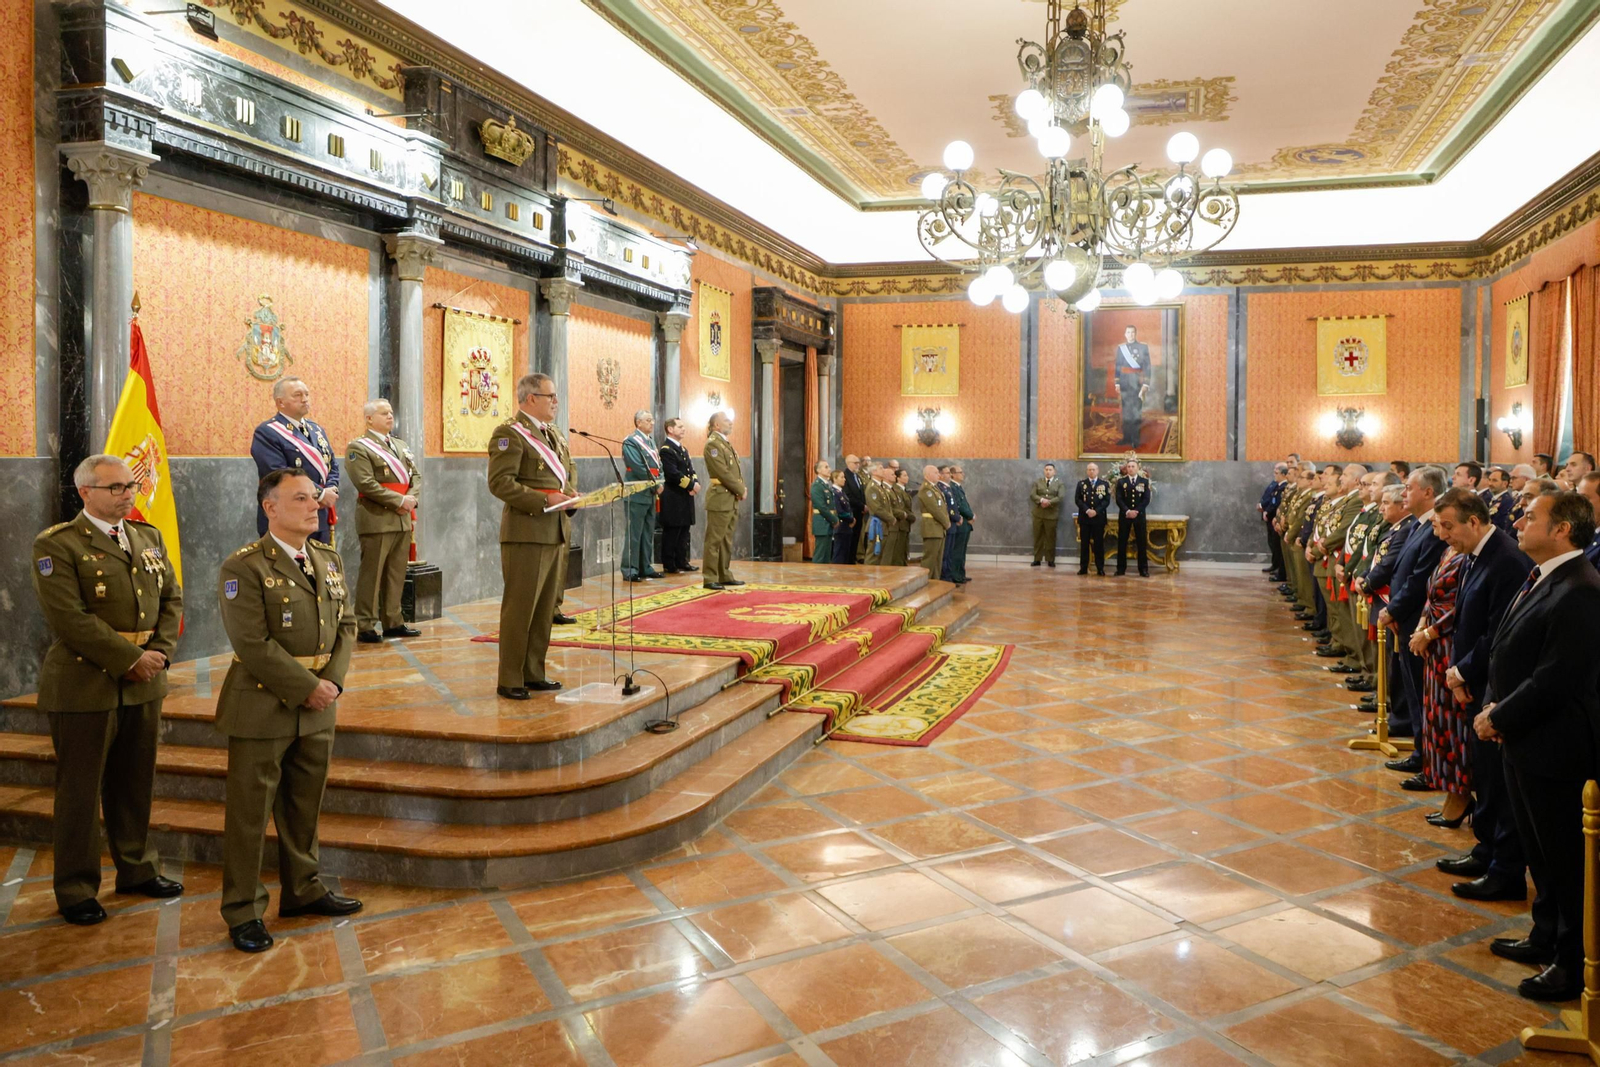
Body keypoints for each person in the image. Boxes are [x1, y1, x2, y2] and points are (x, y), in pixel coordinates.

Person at [31, 454, 184, 925]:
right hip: (84, 684)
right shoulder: (57, 544)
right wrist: (130, 659)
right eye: (115, 488)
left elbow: (170, 597)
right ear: (86, 493)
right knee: (80, 790)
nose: (126, 495)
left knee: (134, 782)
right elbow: (69, 619)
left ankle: (137, 869)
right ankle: (76, 887)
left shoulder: (148, 536)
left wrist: (157, 652)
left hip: (144, 682)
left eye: (129, 487)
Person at [216, 468, 359, 953]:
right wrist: (307, 687)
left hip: (320, 702)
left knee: (304, 807)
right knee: (250, 816)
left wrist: (333, 681)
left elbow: (349, 623)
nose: (313, 505)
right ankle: (243, 910)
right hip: (262, 703)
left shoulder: (328, 557)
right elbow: (251, 643)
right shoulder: (245, 567)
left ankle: (303, 889)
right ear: (270, 507)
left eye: (314, 497)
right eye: (301, 498)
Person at [1475, 491, 1600, 1001]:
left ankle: (1573, 965)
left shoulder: (1582, 590)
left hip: (1556, 747)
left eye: (1532, 517)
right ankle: (1544, 933)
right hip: (1522, 737)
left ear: (1563, 529)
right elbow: (1507, 648)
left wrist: (1499, 715)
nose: (1520, 521)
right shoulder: (1544, 577)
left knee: (1565, 857)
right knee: (1538, 852)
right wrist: (1494, 709)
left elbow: (1556, 678)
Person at [1429, 487, 1532, 905]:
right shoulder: (1475, 554)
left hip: (1490, 682)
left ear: (1474, 521)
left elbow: (1496, 632)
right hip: (1475, 679)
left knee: (1497, 783)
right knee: (1484, 778)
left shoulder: (1506, 559)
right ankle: (1486, 852)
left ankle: (1502, 868)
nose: (1443, 535)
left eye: (1449, 526)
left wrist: (1461, 670)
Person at [487, 373, 577, 699]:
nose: (555, 402)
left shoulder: (554, 436)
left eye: (555, 396)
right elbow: (501, 483)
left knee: (543, 611)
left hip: (554, 531)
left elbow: (566, 474)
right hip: (525, 532)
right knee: (520, 608)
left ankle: (534, 671)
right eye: (550, 396)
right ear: (529, 399)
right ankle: (510, 677)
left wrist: (569, 495)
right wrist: (544, 500)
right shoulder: (509, 435)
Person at [1377, 465, 1448, 752]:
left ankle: (1424, 755)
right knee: (1411, 686)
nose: (1404, 493)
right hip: (1406, 617)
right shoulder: (1419, 525)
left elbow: (1419, 579)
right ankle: (1420, 749)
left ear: (1429, 492)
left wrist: (1394, 609)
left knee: (1420, 691)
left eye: (1410, 488)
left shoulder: (1434, 529)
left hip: (1418, 619)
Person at [1408, 509, 1470, 824]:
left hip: (1448, 646)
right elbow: (1431, 595)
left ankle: (1460, 795)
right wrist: (1421, 625)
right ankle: (1448, 789)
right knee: (1436, 721)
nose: (1436, 527)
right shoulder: (1448, 550)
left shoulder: (1465, 558)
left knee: (1452, 725)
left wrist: (1429, 631)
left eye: (1443, 523)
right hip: (1433, 645)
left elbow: (1461, 605)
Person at [345, 399, 420, 644]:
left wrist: (411, 499)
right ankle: (365, 624)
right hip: (377, 518)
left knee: (396, 573)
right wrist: (399, 501)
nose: (390, 416)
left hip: (401, 519)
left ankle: (393, 621)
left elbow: (415, 476)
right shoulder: (359, 447)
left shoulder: (400, 445)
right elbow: (365, 483)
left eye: (390, 412)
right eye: (383, 413)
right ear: (369, 419)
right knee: (372, 574)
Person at [252, 377, 339, 543]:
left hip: (319, 513)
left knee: (320, 566)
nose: (305, 399)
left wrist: (331, 490)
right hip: (288, 514)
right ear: (280, 402)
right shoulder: (267, 432)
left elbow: (332, 464)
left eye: (306, 394)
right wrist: (320, 494)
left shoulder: (316, 430)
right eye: (297, 395)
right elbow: (278, 473)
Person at [702, 411, 746, 589]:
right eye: (726, 421)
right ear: (716, 425)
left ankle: (724, 574)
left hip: (730, 497)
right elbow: (722, 472)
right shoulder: (713, 444)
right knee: (714, 540)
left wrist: (738, 489)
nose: (731, 423)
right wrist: (740, 489)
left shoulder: (724, 443)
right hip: (720, 497)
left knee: (726, 540)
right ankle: (710, 577)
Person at [621, 410, 664, 582]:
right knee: (634, 533)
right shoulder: (630, 442)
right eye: (648, 420)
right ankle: (630, 568)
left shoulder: (651, 441)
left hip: (651, 493)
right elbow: (638, 467)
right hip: (637, 492)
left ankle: (645, 566)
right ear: (638, 423)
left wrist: (660, 481)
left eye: (652, 419)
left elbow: (658, 465)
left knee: (647, 532)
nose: (652, 423)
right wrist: (655, 484)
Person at [658, 417, 698, 574]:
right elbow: (672, 473)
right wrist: (691, 485)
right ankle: (669, 563)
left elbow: (690, 469)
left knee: (683, 530)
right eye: (680, 426)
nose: (683, 429)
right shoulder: (666, 449)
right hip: (673, 495)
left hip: (685, 496)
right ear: (670, 429)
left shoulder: (682, 449)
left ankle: (682, 560)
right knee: (672, 531)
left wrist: (695, 482)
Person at [1115, 457, 1152, 577]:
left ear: (1138, 468)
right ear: (1126, 469)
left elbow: (1146, 499)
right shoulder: (1121, 482)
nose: (1130, 469)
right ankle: (1120, 569)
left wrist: (1136, 511)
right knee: (1122, 542)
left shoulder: (1144, 482)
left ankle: (1143, 569)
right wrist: (1127, 511)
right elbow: (1119, 499)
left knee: (1141, 542)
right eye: (1129, 467)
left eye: (1133, 467)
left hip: (1139, 515)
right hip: (1125, 516)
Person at [1114, 324, 1150, 447]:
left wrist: (1145, 384)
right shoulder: (1121, 348)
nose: (1130, 335)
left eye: (1132, 332)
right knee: (1126, 411)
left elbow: (1147, 367)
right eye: (1128, 332)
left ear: (1136, 334)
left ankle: (1135, 439)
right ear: (1125, 334)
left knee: (1136, 411)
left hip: (1136, 381)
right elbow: (1118, 366)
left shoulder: (1143, 347)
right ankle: (1126, 437)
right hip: (1124, 382)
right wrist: (1117, 382)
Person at [1075, 462, 1111, 576]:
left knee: (1099, 544)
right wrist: (1087, 510)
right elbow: (1078, 500)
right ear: (1087, 471)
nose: (1091, 471)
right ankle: (1083, 568)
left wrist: (1096, 511)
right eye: (1089, 470)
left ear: (1098, 470)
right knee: (1084, 544)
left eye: (1093, 469)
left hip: (1098, 518)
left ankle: (1100, 568)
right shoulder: (1081, 484)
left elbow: (1106, 500)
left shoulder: (1104, 484)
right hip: (1085, 519)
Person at [917, 465, 950, 580]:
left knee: (937, 559)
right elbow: (934, 509)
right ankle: (924, 581)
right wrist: (946, 522)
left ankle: (935, 582)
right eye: (936, 473)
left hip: (938, 527)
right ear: (928, 475)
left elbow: (942, 508)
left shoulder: (934, 488)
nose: (938, 475)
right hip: (932, 527)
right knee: (930, 559)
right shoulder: (926, 489)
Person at [1260, 462, 1290, 581]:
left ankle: (1281, 572)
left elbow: (1278, 504)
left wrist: (1273, 515)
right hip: (1274, 519)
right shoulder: (1276, 486)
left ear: (1284, 474)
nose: (1274, 475)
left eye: (1277, 473)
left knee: (1280, 549)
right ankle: (1278, 568)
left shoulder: (1283, 487)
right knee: (1275, 546)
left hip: (1280, 521)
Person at [1030, 463, 1062, 568]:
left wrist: (1049, 502)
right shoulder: (1038, 482)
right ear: (1044, 471)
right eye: (1046, 469)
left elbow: (1060, 496)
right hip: (1038, 514)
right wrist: (1041, 500)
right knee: (1037, 537)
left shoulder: (1059, 483)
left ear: (1054, 472)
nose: (1048, 471)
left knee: (1050, 538)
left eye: (1050, 470)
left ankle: (1050, 560)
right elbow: (1033, 495)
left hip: (1051, 514)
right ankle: (1037, 559)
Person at [946, 465, 973, 583]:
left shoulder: (958, 487)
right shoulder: (952, 487)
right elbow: (959, 505)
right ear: (953, 474)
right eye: (960, 472)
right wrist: (971, 515)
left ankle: (961, 574)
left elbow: (965, 504)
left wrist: (971, 515)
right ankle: (955, 575)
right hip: (960, 522)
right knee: (957, 551)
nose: (963, 474)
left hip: (965, 523)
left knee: (962, 551)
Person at [842, 454, 867, 563]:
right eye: (855, 463)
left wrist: (863, 505)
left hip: (859, 512)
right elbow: (848, 495)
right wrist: (862, 505)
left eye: (858, 463)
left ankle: (853, 558)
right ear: (848, 463)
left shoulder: (857, 476)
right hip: (851, 511)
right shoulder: (845, 476)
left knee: (857, 537)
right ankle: (848, 560)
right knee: (850, 538)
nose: (858, 465)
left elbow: (861, 493)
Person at [810, 460, 836, 563]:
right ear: (818, 470)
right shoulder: (817, 485)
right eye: (826, 467)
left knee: (826, 555)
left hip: (827, 522)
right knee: (820, 555)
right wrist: (834, 519)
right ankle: (816, 577)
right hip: (822, 522)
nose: (829, 469)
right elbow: (821, 506)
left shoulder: (825, 485)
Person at [829, 469, 856, 565]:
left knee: (845, 555)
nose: (844, 479)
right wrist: (851, 519)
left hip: (847, 527)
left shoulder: (841, 492)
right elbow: (839, 511)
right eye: (841, 477)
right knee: (839, 555)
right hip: (840, 527)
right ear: (835, 479)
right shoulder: (834, 493)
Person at [891, 468, 914, 567]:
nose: (907, 477)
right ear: (898, 478)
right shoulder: (896, 490)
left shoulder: (903, 490)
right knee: (898, 553)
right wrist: (909, 516)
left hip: (905, 524)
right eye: (904, 475)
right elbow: (901, 507)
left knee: (904, 551)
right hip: (900, 523)